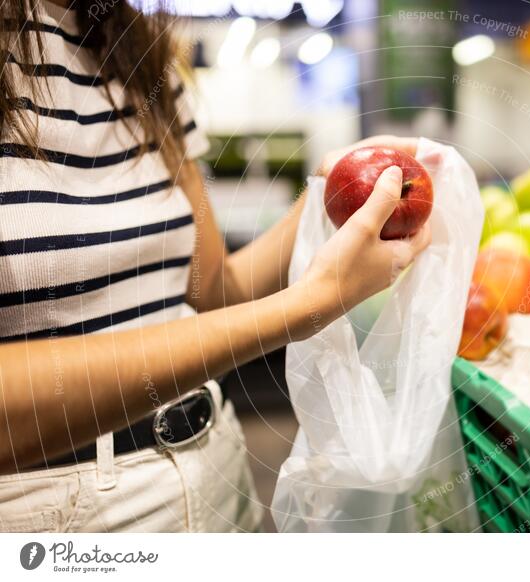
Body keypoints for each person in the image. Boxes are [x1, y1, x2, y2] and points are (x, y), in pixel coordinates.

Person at [0, 1, 430, 532]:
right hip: (57, 515)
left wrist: (330, 193)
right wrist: (306, 306)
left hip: (218, 471)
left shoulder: (140, 55)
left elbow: (215, 290)